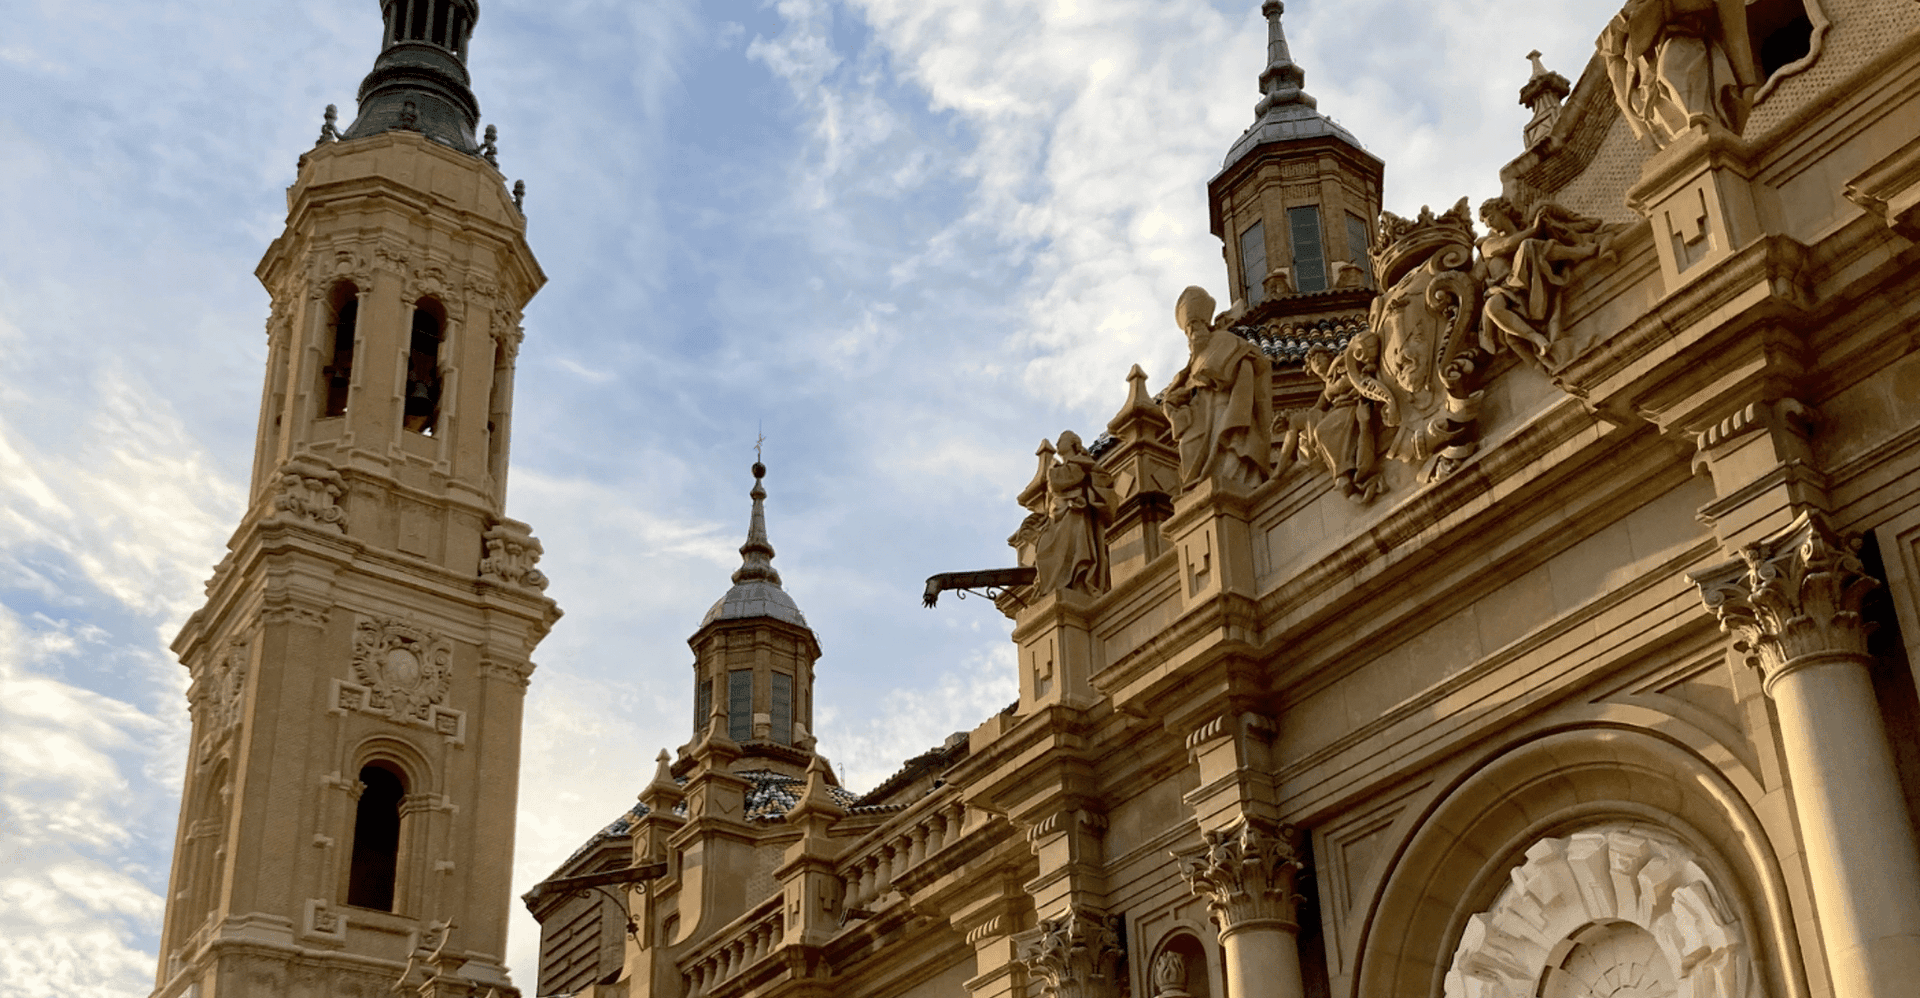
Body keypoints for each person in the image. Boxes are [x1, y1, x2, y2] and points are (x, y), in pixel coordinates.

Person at [1162, 287, 1274, 492]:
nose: (1192, 331)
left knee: (1228, 447)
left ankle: (1232, 483)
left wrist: (1210, 377)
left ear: (1205, 323)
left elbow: (1245, 368)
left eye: (1195, 324)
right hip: (1200, 414)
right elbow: (1180, 390)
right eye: (1188, 329)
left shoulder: (1226, 340)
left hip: (1226, 406)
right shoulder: (1191, 363)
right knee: (1188, 445)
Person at [1477, 197, 1608, 360]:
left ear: (1503, 211)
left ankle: (1584, 252)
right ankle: (1536, 338)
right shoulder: (1487, 244)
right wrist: (1535, 229)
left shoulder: (1528, 228)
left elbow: (1579, 226)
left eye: (1491, 217)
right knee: (1492, 307)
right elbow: (1508, 245)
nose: (1490, 225)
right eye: (1486, 223)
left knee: (1530, 246)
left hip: (1533, 279)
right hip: (1509, 286)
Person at [1031, 431, 1117, 596]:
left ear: (1073, 444)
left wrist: (1052, 471)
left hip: (1074, 513)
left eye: (1061, 439)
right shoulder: (1065, 467)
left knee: (1075, 550)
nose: (1057, 443)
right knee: (1043, 550)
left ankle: (1075, 584)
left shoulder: (1081, 464)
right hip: (1057, 516)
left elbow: (1058, 484)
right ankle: (1051, 588)